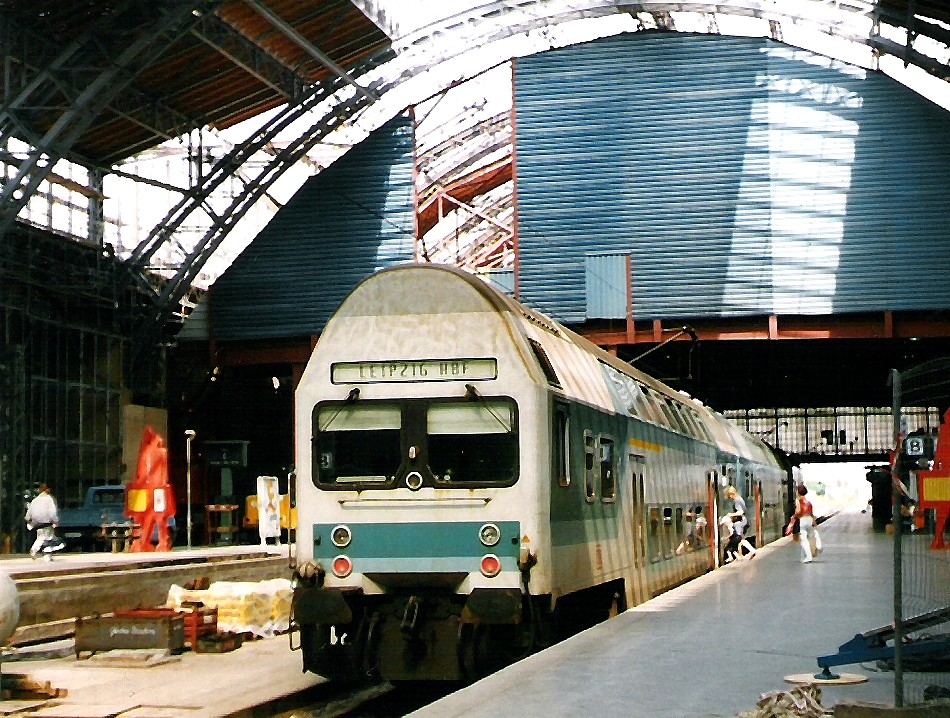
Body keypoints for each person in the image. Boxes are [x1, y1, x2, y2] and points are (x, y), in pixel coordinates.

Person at [786, 483, 822, 563]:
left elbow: (798, 511)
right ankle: (818, 546)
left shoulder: (798, 501)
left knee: (804, 539)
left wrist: (794, 517)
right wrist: (814, 522)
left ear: (798, 492)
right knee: (812, 535)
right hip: (809, 519)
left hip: (803, 520)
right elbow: (812, 514)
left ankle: (809, 557)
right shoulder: (809, 502)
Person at [25, 484, 62, 561]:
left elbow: (28, 514)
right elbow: (52, 512)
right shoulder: (49, 499)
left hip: (37, 523)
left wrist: (29, 521)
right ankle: (37, 551)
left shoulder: (35, 500)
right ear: (46, 490)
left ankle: (44, 554)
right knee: (46, 538)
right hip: (47, 523)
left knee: (41, 537)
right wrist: (56, 521)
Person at [725, 485, 757, 559]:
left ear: (732, 494)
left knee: (740, 538)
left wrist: (731, 514)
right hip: (743, 520)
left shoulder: (736, 500)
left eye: (730, 496)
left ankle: (751, 550)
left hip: (740, 521)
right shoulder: (740, 499)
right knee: (741, 538)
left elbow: (741, 512)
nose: (730, 498)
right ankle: (742, 554)